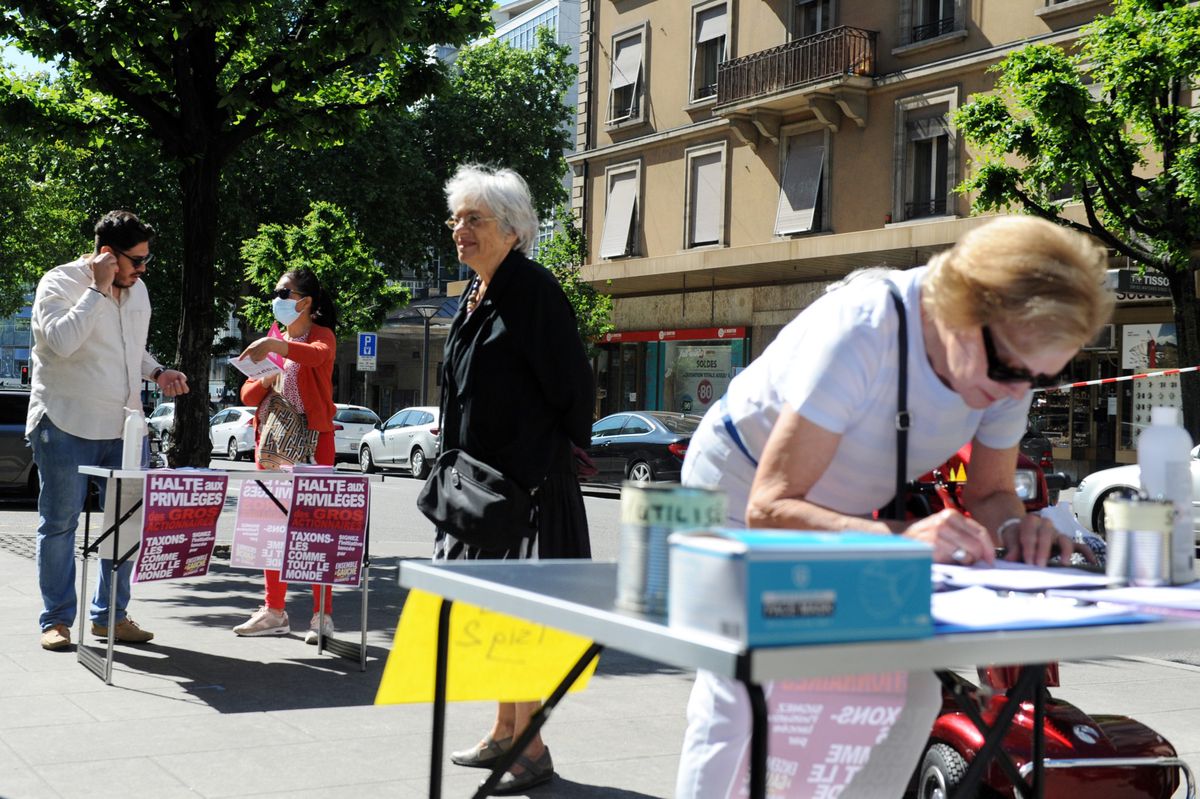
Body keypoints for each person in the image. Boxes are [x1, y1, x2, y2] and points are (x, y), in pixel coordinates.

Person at [674, 215, 1114, 798]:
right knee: (744, 681)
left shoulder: (1005, 360)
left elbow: (989, 493)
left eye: (1040, 377)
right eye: (1011, 370)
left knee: (907, 691)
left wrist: (1018, 527)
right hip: (735, 487)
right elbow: (772, 510)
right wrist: (902, 539)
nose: (1017, 392)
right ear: (961, 306)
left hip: (844, 509)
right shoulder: (862, 328)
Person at [434, 164, 594, 795]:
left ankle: (530, 748)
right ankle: (505, 730)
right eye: (456, 218)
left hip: (522, 490)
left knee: (520, 618)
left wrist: (531, 466)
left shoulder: (531, 289)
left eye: (473, 219)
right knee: (492, 615)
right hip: (479, 488)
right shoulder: (479, 292)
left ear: (511, 228)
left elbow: (572, 389)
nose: (460, 230)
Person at [29, 210, 190, 651]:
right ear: (106, 254)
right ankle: (57, 621)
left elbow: (129, 348)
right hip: (65, 422)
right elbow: (61, 342)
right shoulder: (59, 283)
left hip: (126, 426)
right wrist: (98, 289)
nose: (141, 270)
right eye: (134, 261)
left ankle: (111, 618)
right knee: (59, 525)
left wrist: (157, 372)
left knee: (124, 528)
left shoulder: (137, 289)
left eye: (145, 261)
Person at [233, 268, 338, 644]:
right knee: (269, 530)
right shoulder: (274, 339)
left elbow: (315, 357)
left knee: (315, 528)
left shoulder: (319, 337)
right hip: (273, 446)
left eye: (283, 292)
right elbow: (246, 396)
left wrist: (275, 348)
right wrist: (264, 377)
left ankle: (321, 616)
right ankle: (273, 611)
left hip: (314, 444)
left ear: (305, 302)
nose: (276, 298)